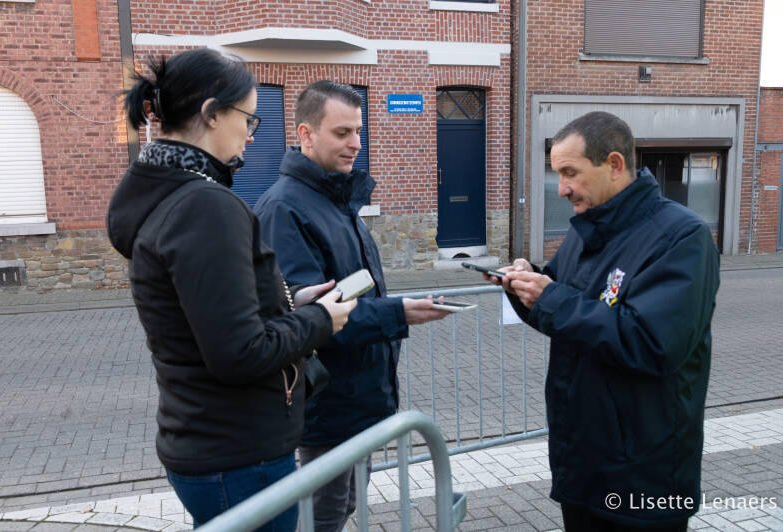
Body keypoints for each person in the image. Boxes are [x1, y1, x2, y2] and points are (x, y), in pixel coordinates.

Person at [106, 49, 357, 530]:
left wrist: (290, 304)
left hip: (207, 443)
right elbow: (238, 352)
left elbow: (211, 316)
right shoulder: (204, 205)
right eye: (248, 117)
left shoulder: (166, 194)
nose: (250, 132)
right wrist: (322, 319)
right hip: (239, 454)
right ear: (211, 113)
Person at [484, 111, 719, 531]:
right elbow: (565, 306)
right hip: (584, 463)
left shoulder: (681, 238)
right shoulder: (586, 231)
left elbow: (651, 344)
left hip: (644, 475)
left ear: (613, 164)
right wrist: (524, 286)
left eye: (570, 173)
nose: (562, 189)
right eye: (557, 174)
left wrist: (550, 296)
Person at [254, 80, 451, 532]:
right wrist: (398, 313)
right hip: (328, 405)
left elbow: (352, 295)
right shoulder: (286, 209)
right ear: (305, 134)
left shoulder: (335, 198)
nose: (356, 145)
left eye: (358, 132)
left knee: (342, 508)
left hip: (357, 398)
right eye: (342, 133)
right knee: (324, 516)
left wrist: (394, 311)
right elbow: (312, 318)